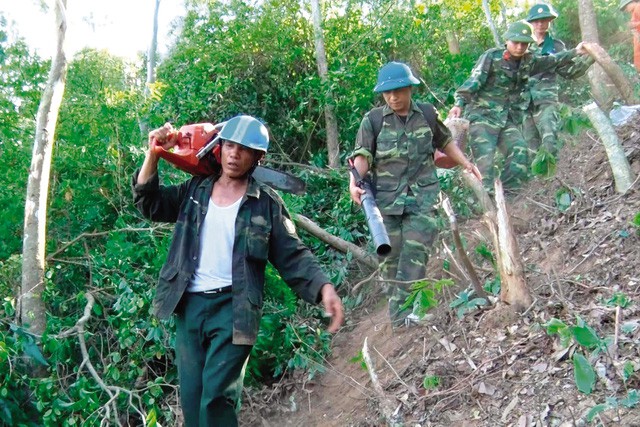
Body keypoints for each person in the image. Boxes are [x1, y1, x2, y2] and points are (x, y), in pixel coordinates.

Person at [133, 115, 344, 426]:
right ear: (219, 148)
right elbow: (148, 204)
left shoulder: (265, 203)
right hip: (188, 306)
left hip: (234, 309)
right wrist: (153, 153)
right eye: (229, 145)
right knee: (192, 400)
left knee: (217, 398)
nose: (234, 154)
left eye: (243, 149)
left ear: (257, 157)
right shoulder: (194, 191)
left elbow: (293, 254)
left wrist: (323, 287)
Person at [348, 61, 481, 327]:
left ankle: (410, 313)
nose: (393, 97)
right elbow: (362, 155)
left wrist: (466, 163)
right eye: (387, 93)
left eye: (398, 91)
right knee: (390, 259)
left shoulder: (428, 114)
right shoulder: (373, 121)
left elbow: (444, 142)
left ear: (410, 88)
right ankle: (401, 319)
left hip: (423, 197)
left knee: (416, 253)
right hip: (386, 203)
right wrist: (355, 180)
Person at [449, 21, 589, 190]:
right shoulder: (492, 57)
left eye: (524, 43)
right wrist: (459, 104)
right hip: (482, 117)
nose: (520, 47)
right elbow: (474, 81)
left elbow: (551, 60)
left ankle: (509, 197)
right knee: (485, 166)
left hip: (505, 119)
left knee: (520, 152)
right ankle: (487, 208)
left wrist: (576, 51)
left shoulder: (528, 61)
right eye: (516, 42)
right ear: (507, 41)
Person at [524, 3, 594, 158]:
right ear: (531, 23)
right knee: (529, 143)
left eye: (544, 20)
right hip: (522, 101)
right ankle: (537, 179)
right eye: (537, 21)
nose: (541, 24)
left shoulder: (556, 45)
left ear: (550, 21)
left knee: (549, 136)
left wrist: (591, 57)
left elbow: (569, 72)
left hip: (546, 99)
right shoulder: (521, 43)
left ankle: (551, 172)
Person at [620, 0, 640, 72]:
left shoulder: (638, 7)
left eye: (626, 7)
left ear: (631, 2)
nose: (626, 10)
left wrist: (634, 25)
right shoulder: (634, 12)